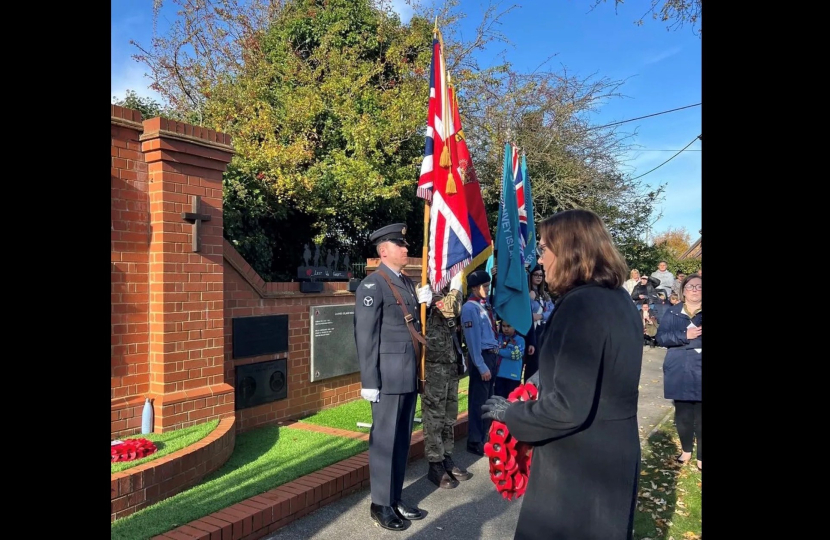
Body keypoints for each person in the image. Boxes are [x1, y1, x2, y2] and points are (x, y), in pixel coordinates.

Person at [481, 208, 643, 540]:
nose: (541, 260)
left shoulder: (580, 305)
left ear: (569, 250)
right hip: (611, 454)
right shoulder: (618, 300)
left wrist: (512, 414)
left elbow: (567, 407)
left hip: (579, 465)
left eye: (543, 248)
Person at [353, 223, 434, 531]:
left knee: (401, 440)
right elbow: (366, 336)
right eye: (399, 245)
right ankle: (380, 504)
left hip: (407, 374)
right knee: (385, 441)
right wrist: (369, 382)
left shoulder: (405, 281)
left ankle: (395, 496)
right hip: (387, 377)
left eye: (405, 244)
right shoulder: (374, 285)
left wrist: (426, 299)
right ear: (383, 250)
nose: (406, 248)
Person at [421, 273, 472, 489]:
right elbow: (451, 308)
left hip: (450, 362)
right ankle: (434, 463)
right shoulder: (424, 288)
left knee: (450, 414)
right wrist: (457, 286)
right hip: (434, 364)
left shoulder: (444, 292)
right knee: (434, 414)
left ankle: (446, 457)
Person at [656, 273, 702, 471]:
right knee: (683, 414)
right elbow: (661, 338)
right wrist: (685, 335)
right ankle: (686, 451)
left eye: (699, 286)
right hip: (679, 369)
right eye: (690, 286)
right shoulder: (672, 312)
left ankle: (701, 457)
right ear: (683, 290)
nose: (694, 290)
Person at [460, 270, 500, 457]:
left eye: (487, 285)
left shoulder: (483, 305)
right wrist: (481, 365)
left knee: (488, 399)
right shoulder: (470, 308)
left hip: (491, 355)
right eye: (484, 286)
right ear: (475, 288)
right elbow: (472, 340)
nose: (487, 289)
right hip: (481, 357)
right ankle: (474, 440)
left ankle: (485, 435)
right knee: (478, 402)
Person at [494, 320, 525, 398]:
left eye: (508, 326)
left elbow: (516, 354)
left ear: (514, 326)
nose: (506, 329)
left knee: (512, 402)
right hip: (499, 376)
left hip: (513, 377)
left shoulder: (520, 340)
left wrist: (498, 351)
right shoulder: (499, 337)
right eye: (503, 326)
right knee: (498, 402)